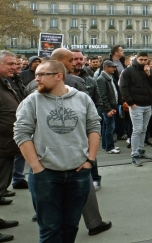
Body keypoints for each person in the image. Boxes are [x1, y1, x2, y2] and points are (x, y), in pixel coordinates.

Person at [14, 60, 101, 242]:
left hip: (78, 173)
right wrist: (36, 167)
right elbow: (22, 134)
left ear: (58, 76)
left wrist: (89, 160)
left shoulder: (82, 98)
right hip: (45, 175)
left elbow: (94, 128)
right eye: (36, 74)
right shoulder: (32, 100)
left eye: (41, 75)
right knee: (49, 230)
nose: (36, 79)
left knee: (70, 227)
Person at [119, 51, 152, 166]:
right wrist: (131, 102)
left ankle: (140, 151)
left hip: (147, 104)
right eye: (141, 60)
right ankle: (134, 154)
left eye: (145, 60)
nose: (143, 62)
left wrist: (149, 74)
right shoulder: (128, 71)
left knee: (144, 129)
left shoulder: (147, 70)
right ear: (136, 59)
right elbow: (123, 87)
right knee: (137, 129)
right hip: (136, 105)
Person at [0, 51, 20, 242]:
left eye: (15, 63)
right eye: (9, 64)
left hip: (6, 144)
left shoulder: (5, 83)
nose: (14, 66)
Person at [96, 60, 121, 154]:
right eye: (112, 67)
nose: (114, 69)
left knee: (107, 127)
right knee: (110, 127)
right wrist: (108, 109)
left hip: (111, 106)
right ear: (106, 67)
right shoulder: (101, 79)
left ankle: (106, 146)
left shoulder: (108, 77)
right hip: (108, 108)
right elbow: (103, 96)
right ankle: (109, 147)